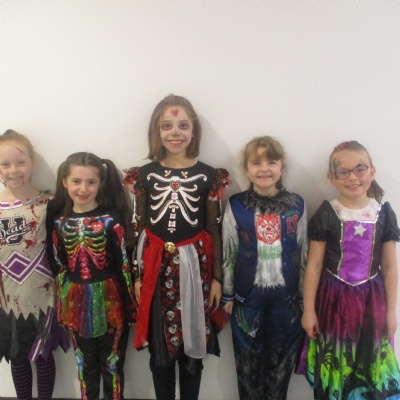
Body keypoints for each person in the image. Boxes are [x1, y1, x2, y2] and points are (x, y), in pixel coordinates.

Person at [123, 94, 229, 400]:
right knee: (160, 349)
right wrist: (137, 275)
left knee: (193, 344)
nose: (175, 133)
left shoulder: (208, 176)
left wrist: (217, 279)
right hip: (155, 269)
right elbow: (138, 227)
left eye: (183, 125)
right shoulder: (145, 175)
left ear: (194, 130)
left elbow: (214, 229)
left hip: (196, 270)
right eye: (167, 126)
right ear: (156, 132)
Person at [301, 140, 400, 399]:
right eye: (343, 172)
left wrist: (391, 312)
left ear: (372, 172)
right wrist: (309, 311)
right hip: (333, 303)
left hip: (372, 303)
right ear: (331, 177)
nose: (352, 177)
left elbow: (390, 268)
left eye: (360, 169)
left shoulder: (384, 214)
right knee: (337, 361)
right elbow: (314, 265)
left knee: (369, 363)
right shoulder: (327, 213)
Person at [221, 136, 308, 400]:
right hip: (247, 298)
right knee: (247, 362)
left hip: (287, 299)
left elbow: (303, 253)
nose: (264, 169)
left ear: (281, 167)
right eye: (256, 163)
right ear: (246, 169)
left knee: (281, 363)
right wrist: (227, 294)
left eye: (272, 162)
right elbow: (229, 251)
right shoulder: (236, 205)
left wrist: (304, 298)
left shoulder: (297, 205)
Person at [46, 152, 135, 400]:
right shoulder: (59, 222)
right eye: (76, 181)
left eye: (91, 182)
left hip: (111, 301)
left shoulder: (112, 220)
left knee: (112, 363)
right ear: (64, 182)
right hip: (75, 302)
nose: (83, 189)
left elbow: (124, 265)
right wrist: (61, 306)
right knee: (85, 365)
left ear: (101, 184)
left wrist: (131, 306)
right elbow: (60, 266)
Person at [0, 130, 69, 400]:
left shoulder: (48, 204)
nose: (13, 170)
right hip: (6, 296)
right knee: (16, 355)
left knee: (43, 354)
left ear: (32, 162)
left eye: (20, 162)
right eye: (5, 164)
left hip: (43, 293)